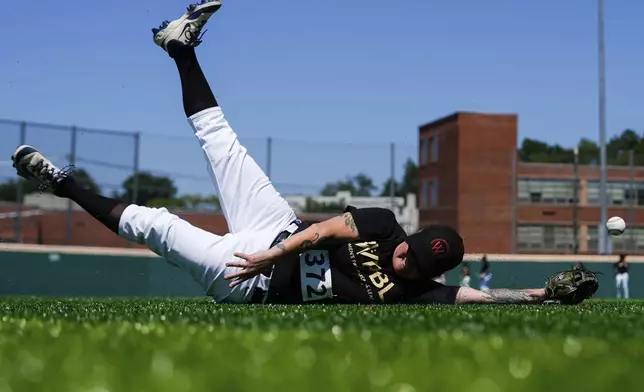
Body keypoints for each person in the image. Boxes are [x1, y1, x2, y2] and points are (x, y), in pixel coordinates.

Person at [11, 1, 594, 306]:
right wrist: (275, 250)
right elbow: (324, 232)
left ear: (428, 272)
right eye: (407, 254)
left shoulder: (419, 290)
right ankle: (179, 48)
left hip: (247, 282)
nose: (402, 263)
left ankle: (62, 183)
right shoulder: (386, 226)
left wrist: (539, 295)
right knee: (225, 146)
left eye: (415, 266)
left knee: (156, 224)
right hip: (279, 233)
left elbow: (472, 297)